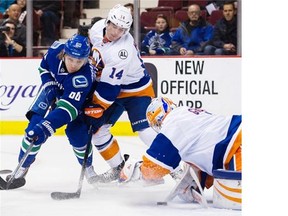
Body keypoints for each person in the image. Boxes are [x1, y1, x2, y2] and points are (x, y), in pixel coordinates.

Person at [82, 4, 159, 184]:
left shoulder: (121, 52)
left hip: (137, 90)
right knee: (98, 132)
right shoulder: (96, 28)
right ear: (107, 21)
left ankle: (176, 166)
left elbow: (110, 88)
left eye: (122, 29)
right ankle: (119, 169)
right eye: (114, 26)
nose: (116, 32)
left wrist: (97, 106)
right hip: (115, 89)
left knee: (145, 131)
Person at [6, 33, 96, 183]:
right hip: (52, 90)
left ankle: (88, 169)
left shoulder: (84, 78)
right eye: (70, 59)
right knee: (32, 131)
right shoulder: (55, 51)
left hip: (77, 102)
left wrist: (47, 126)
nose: (74, 64)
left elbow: (67, 110)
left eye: (79, 61)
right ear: (64, 54)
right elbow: (43, 67)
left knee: (77, 135)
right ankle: (22, 168)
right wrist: (49, 84)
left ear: (86, 59)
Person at [120, 97, 242, 201]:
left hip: (238, 144)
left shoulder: (172, 124)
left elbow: (153, 170)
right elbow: (208, 148)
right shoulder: (187, 114)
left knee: (232, 198)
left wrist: (133, 169)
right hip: (237, 138)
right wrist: (195, 181)